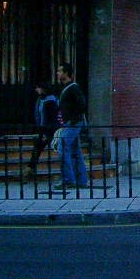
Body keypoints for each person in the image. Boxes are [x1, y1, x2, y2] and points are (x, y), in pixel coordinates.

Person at [54, 62, 89, 191]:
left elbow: (82, 104)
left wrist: (73, 119)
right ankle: (81, 180)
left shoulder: (73, 88)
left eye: (60, 71)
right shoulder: (67, 88)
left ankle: (68, 180)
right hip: (71, 123)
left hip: (72, 123)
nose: (57, 73)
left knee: (62, 148)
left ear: (66, 73)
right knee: (75, 151)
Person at [24, 82, 58, 180]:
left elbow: (51, 118)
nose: (36, 90)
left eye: (38, 88)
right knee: (38, 148)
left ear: (43, 89)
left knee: (60, 149)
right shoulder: (41, 99)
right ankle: (30, 169)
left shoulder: (51, 100)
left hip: (49, 130)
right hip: (44, 129)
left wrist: (46, 131)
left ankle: (30, 170)